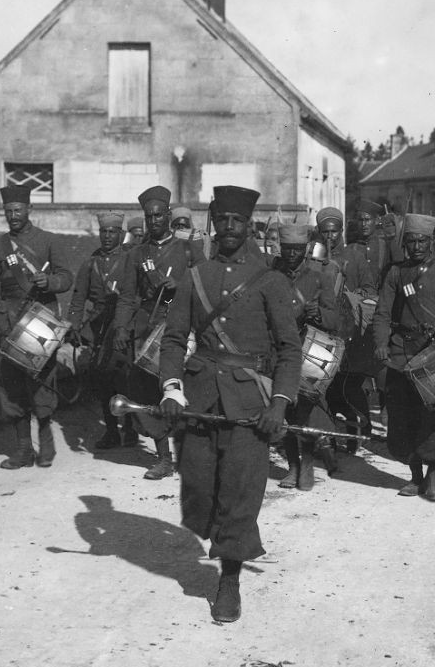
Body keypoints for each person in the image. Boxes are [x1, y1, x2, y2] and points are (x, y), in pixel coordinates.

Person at [159, 185, 302, 623]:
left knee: (240, 493)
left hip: (249, 404)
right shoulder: (196, 276)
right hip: (200, 397)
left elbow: (289, 350)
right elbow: (172, 338)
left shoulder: (271, 281)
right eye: (222, 219)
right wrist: (170, 386)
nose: (229, 228)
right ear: (213, 223)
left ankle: (229, 580)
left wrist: (279, 403)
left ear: (249, 225)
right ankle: (220, 540)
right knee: (200, 491)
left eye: (237, 221)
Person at [372, 214, 435, 501]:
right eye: (411, 241)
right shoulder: (395, 273)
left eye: (422, 241)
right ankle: (415, 476)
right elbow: (382, 312)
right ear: (404, 243)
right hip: (402, 352)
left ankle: (432, 476)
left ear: (432, 242)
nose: (416, 246)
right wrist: (380, 342)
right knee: (403, 416)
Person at [113, 186, 205, 479]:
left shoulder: (187, 248)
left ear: (167, 215)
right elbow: (127, 296)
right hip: (147, 328)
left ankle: (193, 454)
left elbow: (206, 286)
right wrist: (121, 327)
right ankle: (164, 457)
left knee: (185, 389)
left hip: (183, 329)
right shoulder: (136, 254)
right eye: (148, 217)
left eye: (158, 216)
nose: (153, 221)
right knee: (147, 393)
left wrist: (181, 285)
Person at [0, 185, 73, 469]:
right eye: (8, 211)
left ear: (29, 209)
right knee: (10, 389)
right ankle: (23, 451)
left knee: (41, 384)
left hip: (39, 323)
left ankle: (46, 445)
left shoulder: (48, 240)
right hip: (7, 323)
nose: (13, 216)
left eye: (17, 210)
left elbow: (66, 277)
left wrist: (51, 282)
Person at [272, 223, 339, 490]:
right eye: (287, 249)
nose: (291, 254)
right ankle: (293, 466)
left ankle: (308, 462)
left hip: (306, 349)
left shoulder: (318, 277)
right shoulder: (271, 275)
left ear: (306, 249)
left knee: (305, 411)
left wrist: (318, 314)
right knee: (285, 409)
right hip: (278, 348)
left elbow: (334, 319)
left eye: (297, 250)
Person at [67, 211, 139, 449]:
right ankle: (111, 431)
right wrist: (75, 325)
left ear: (120, 234)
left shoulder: (131, 258)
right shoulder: (91, 263)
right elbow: (78, 298)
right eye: (104, 232)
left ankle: (130, 428)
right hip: (98, 329)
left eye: (112, 232)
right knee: (103, 382)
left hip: (124, 326)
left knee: (126, 379)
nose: (107, 236)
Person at [313, 207, 377, 446]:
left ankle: (360, 429)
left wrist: (353, 296)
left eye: (334, 231)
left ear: (341, 230)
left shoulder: (355, 256)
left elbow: (371, 290)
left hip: (350, 331)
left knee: (350, 384)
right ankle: (330, 433)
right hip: (323, 328)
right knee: (325, 384)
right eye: (325, 232)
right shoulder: (315, 255)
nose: (329, 237)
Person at [349, 199, 386, 289]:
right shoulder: (350, 249)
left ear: (376, 221)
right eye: (360, 220)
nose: (363, 224)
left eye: (367, 219)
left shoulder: (386, 246)